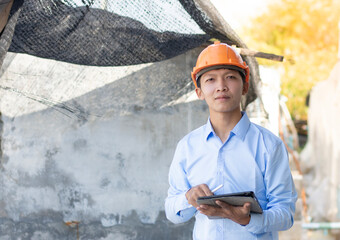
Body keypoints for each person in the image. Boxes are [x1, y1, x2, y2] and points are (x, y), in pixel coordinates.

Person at [165, 41, 297, 240]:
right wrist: (187, 199)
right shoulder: (187, 147)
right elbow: (172, 212)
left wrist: (247, 219)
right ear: (199, 91)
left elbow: (285, 215)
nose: (221, 87)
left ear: (244, 86)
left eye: (230, 77)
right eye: (210, 79)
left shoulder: (269, 146)